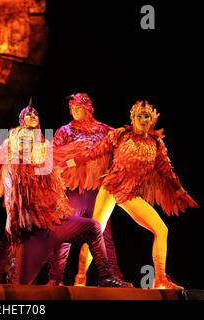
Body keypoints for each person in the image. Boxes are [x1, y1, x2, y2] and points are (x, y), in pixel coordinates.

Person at [0, 102, 132, 287]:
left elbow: (59, 157)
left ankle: (104, 276)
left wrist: (76, 152)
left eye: (35, 116)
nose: (32, 119)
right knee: (20, 284)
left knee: (93, 227)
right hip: (30, 232)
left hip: (52, 224)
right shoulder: (11, 149)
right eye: (27, 117)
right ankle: (2, 277)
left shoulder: (44, 149)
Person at [60, 100, 198, 289]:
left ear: (151, 120)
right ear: (132, 119)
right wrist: (69, 163)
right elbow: (95, 152)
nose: (142, 120)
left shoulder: (156, 145)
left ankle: (160, 279)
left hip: (130, 194)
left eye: (146, 117)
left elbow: (167, 172)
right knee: (96, 232)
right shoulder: (121, 135)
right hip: (111, 187)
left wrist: (181, 191)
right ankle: (81, 277)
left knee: (162, 230)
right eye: (139, 116)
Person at [52, 93, 125, 286]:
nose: (75, 111)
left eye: (79, 108)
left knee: (103, 233)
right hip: (73, 190)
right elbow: (53, 153)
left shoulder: (104, 130)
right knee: (64, 231)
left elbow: (122, 142)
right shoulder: (64, 131)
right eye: (73, 108)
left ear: (88, 108)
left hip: (96, 190)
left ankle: (113, 276)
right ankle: (55, 278)